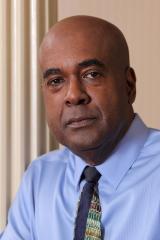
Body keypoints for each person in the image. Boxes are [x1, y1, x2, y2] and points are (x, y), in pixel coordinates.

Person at [1, 15, 160, 240]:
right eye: (56, 80)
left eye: (91, 74)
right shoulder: (40, 177)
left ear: (129, 85)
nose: (74, 95)